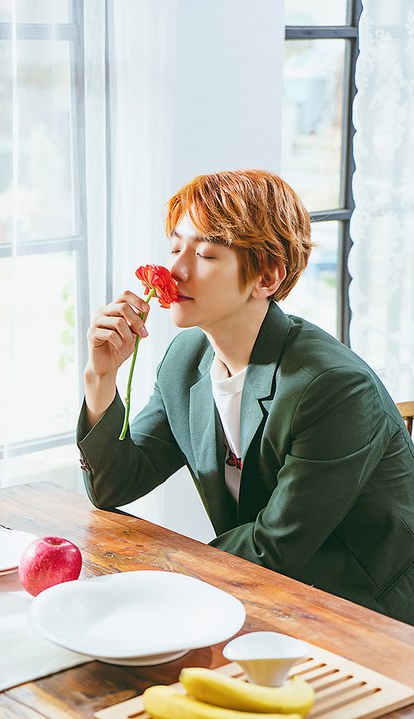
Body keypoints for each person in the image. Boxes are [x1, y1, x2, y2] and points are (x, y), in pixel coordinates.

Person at [77, 169, 414, 625]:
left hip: (367, 617)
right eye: (175, 248)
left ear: (267, 278)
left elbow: (275, 545)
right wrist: (101, 377)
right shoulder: (185, 359)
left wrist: (160, 576)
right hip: (264, 594)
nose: (175, 271)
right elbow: (115, 485)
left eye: (205, 254)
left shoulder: (333, 388)